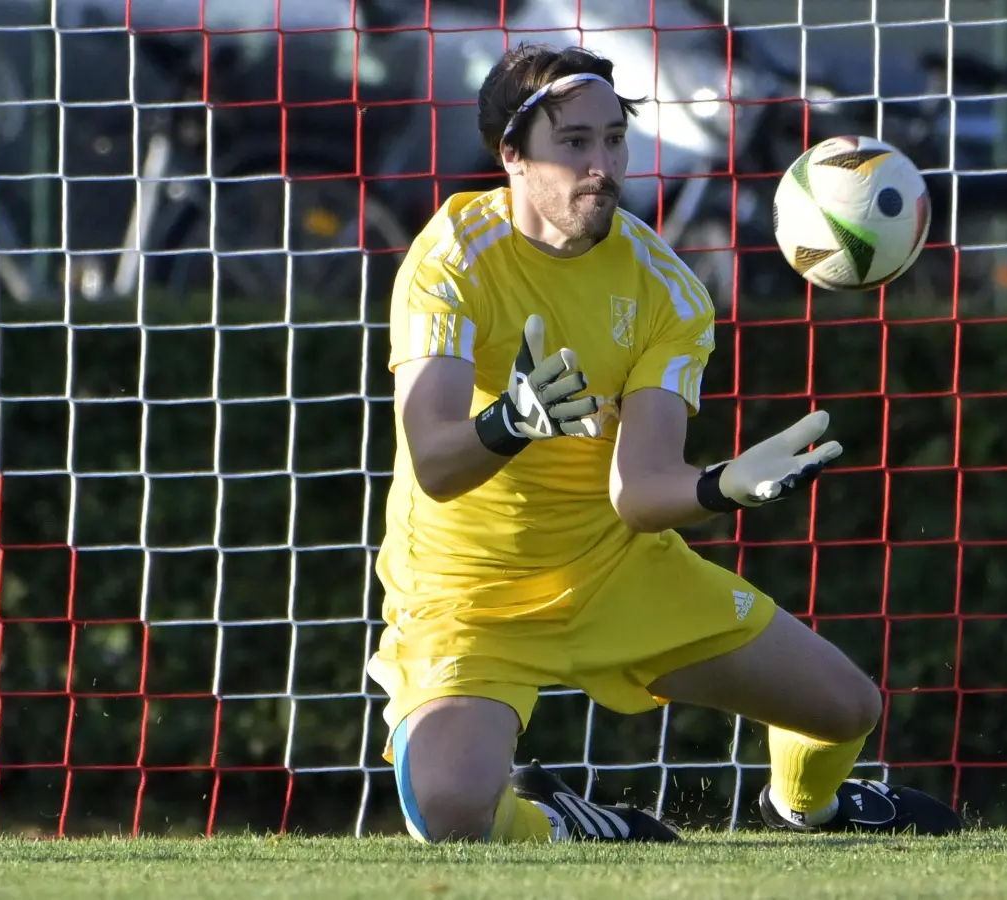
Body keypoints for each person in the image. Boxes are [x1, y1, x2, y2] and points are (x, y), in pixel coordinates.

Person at [366, 42, 963, 843]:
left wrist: (723, 485)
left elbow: (639, 492)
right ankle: (571, 826)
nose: (602, 164)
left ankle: (808, 810)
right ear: (512, 154)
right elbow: (435, 463)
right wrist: (508, 422)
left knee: (848, 709)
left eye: (614, 138)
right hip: (466, 601)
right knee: (450, 811)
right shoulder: (451, 258)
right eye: (574, 142)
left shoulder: (666, 287)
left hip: (616, 576)